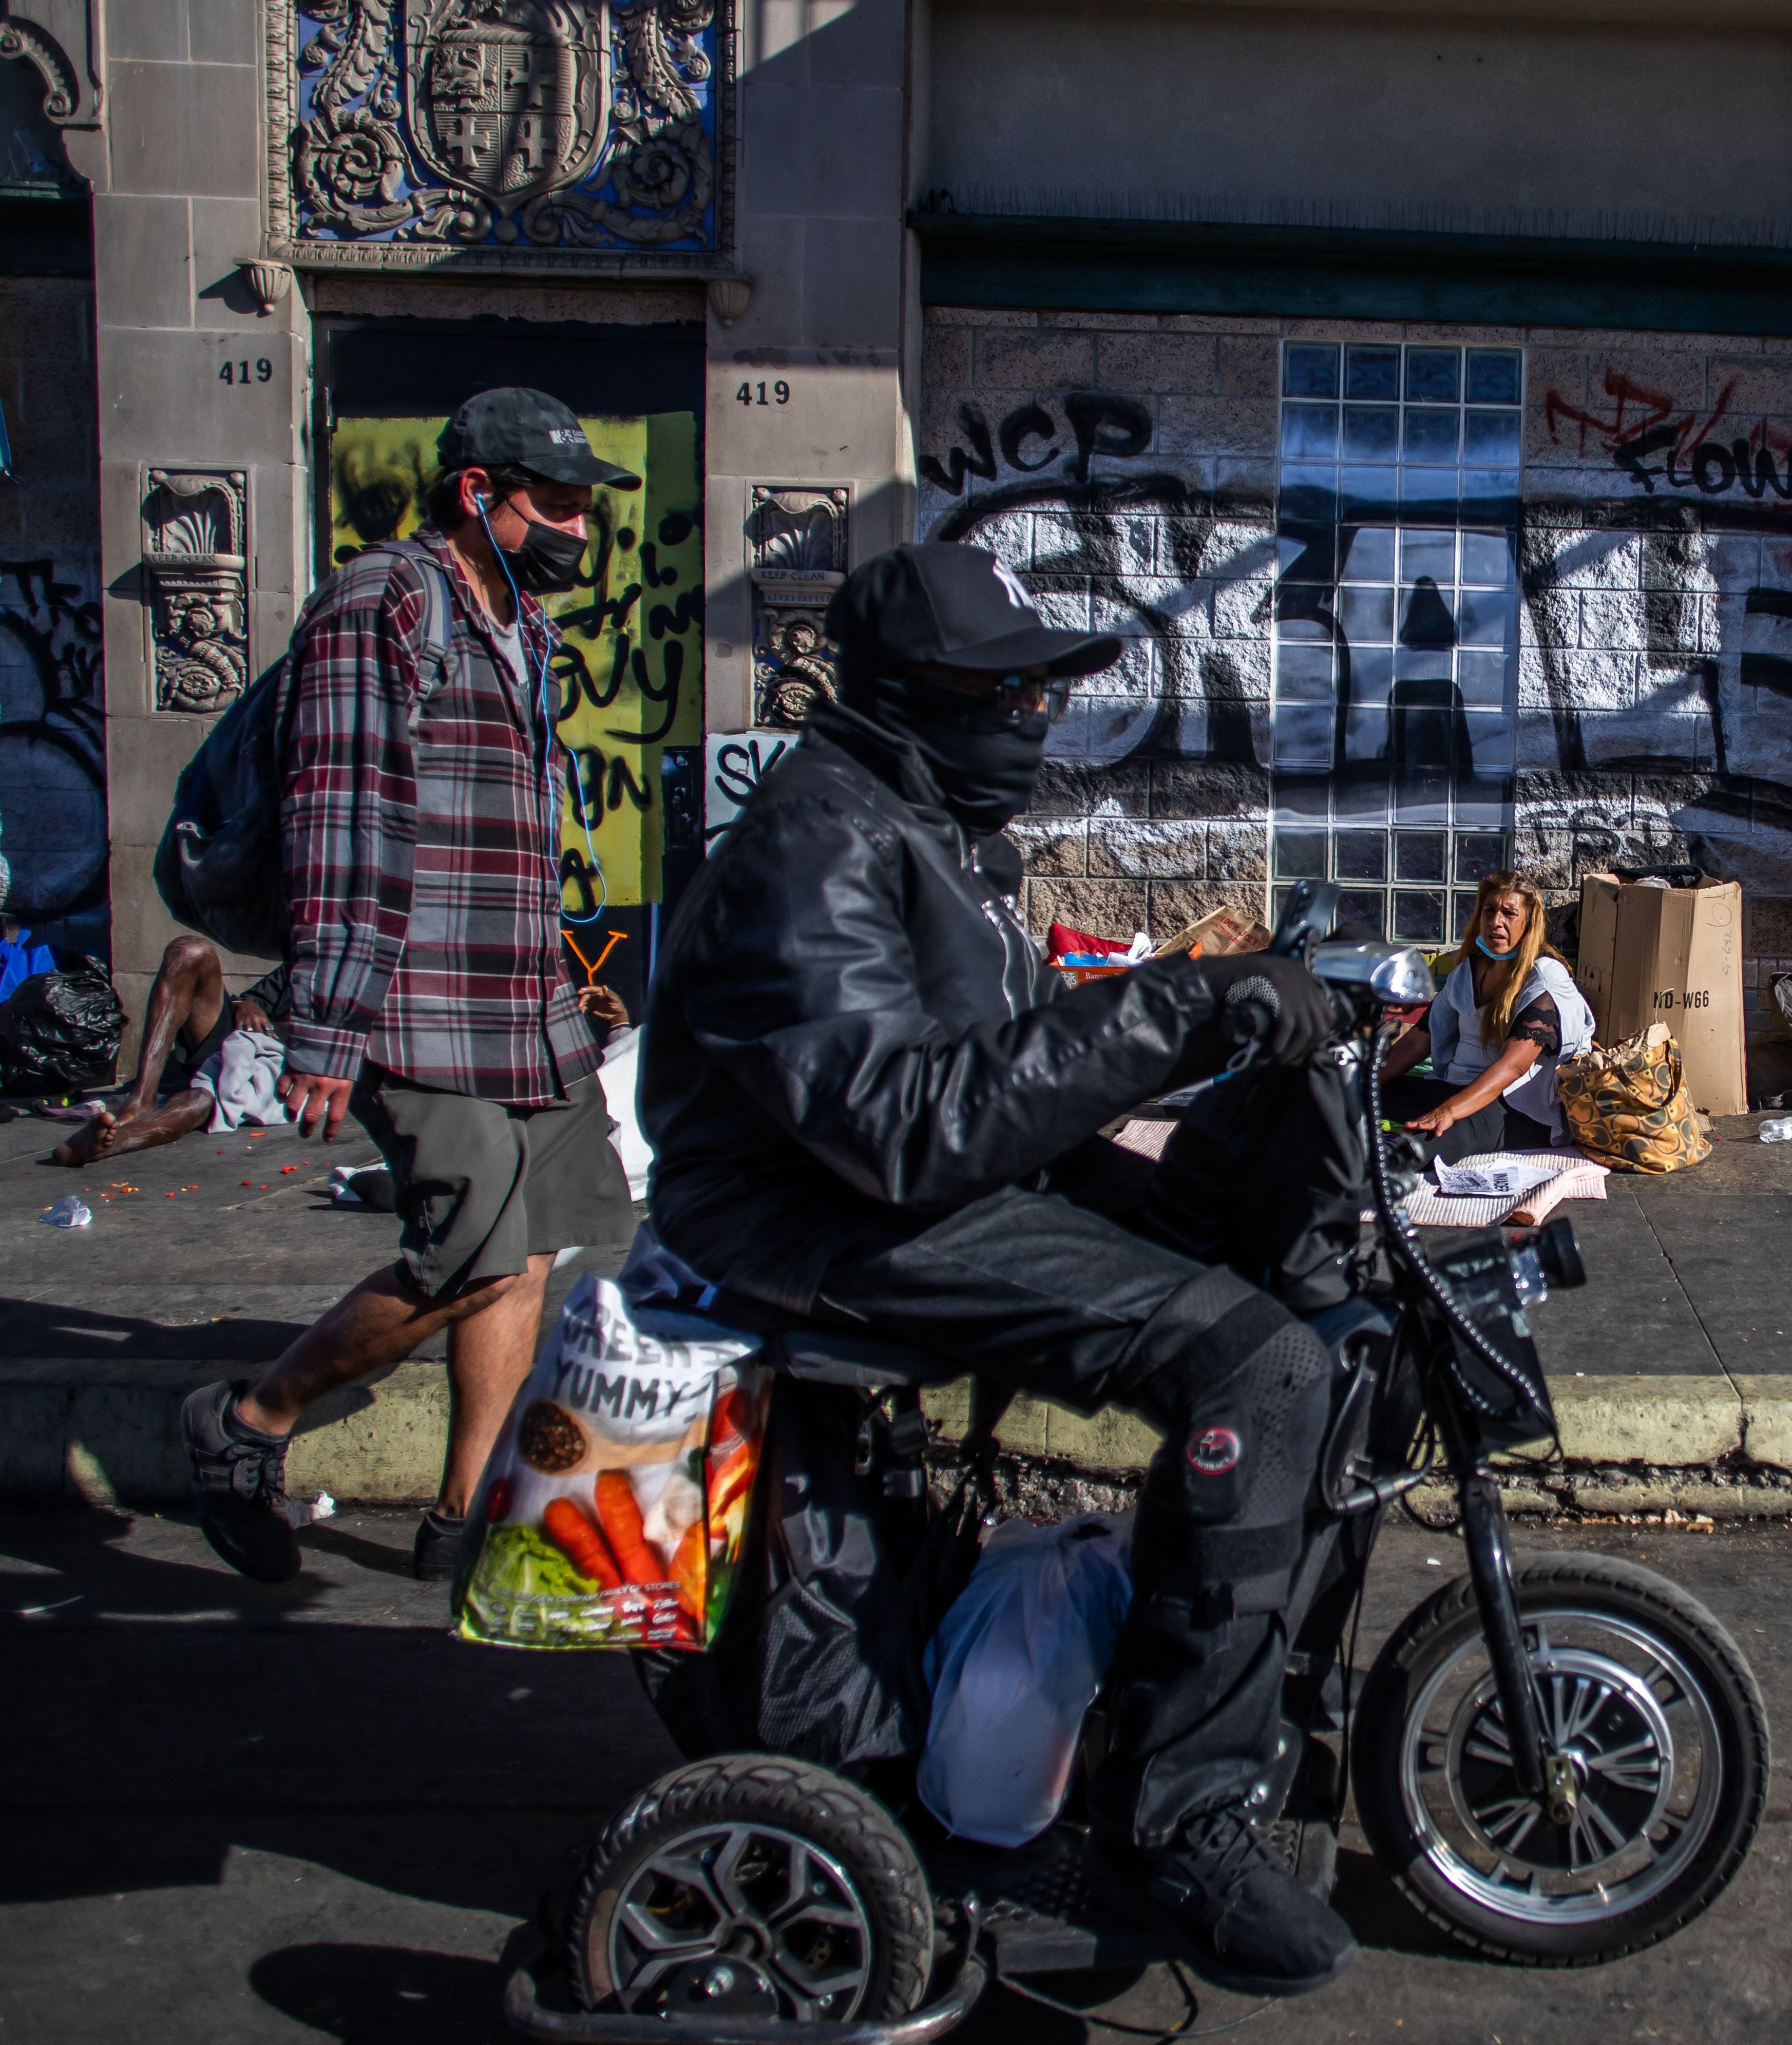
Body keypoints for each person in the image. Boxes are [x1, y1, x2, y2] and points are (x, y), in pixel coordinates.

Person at [641, 541, 1363, 1997]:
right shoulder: (814, 840)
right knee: (1257, 1363)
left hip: (905, 1181)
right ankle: (1180, 1812)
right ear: (915, 694)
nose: (1034, 714)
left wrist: (1212, 1140)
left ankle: (1201, 1694)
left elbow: (1024, 1075)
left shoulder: (930, 831)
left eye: (1041, 687)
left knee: (1293, 1304)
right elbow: (907, 1123)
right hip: (819, 1215)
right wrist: (1178, 1004)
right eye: (1009, 689)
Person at [179, 388, 641, 1587]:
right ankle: (250, 1423)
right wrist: (325, 1028)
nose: (578, 531)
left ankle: (465, 1514)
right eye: (557, 504)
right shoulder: (377, 606)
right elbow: (345, 823)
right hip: (415, 998)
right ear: (478, 495)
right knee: (474, 1251)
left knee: (536, 1244)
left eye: (587, 509)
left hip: (521, 997)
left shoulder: (522, 629)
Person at [1377, 873, 1594, 1162]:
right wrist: (1364, 1082)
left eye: (1509, 913)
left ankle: (1374, 1176)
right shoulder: (1467, 972)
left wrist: (1450, 1111)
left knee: (1426, 1142)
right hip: (1455, 1091)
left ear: (1528, 922)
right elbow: (1419, 1040)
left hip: (1514, 1108)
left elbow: (1513, 1066)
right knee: (1359, 1097)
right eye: (1489, 910)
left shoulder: (1544, 979)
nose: (1496, 922)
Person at [50, 936, 289, 1164]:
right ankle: (142, 1098)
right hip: (243, 1045)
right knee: (190, 951)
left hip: (281, 1077)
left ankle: (108, 1144)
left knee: (199, 1101)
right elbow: (258, 1000)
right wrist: (243, 1003)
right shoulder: (315, 964)